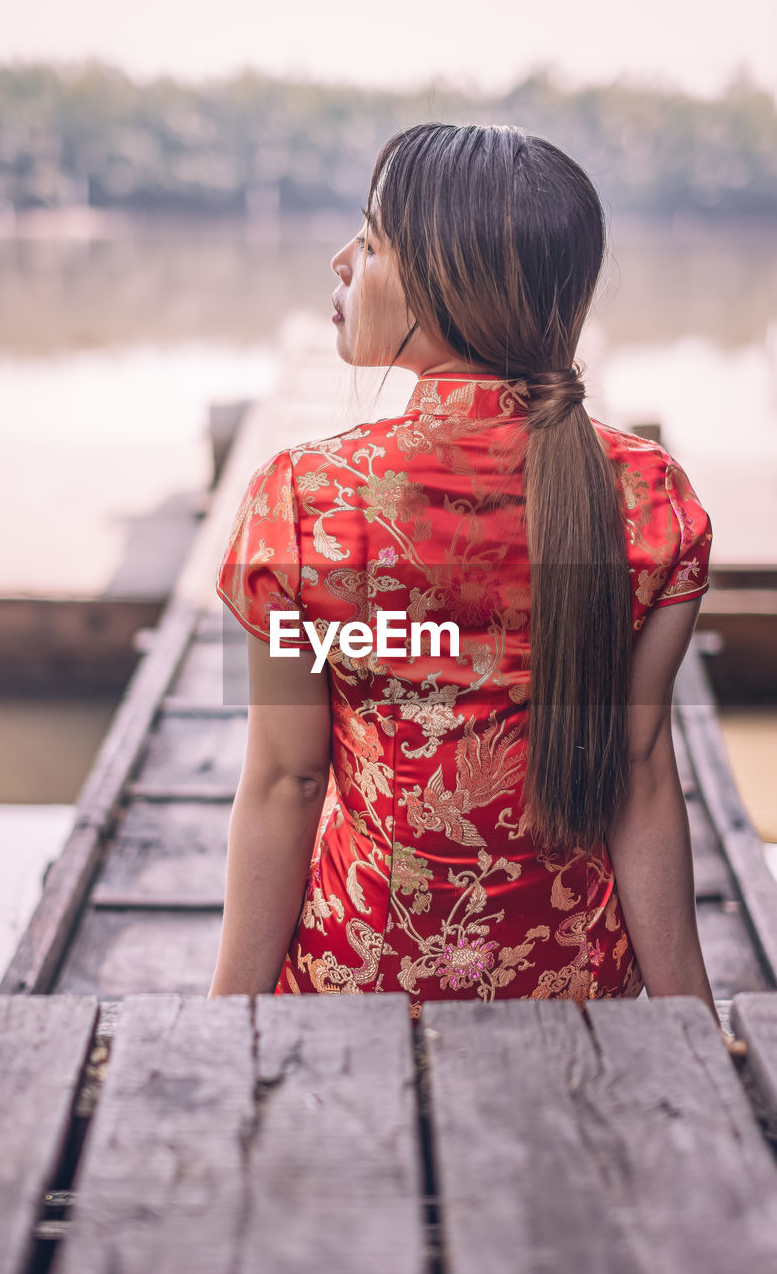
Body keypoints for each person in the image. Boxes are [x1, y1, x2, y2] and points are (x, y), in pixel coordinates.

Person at [207, 122, 725, 1037]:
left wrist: (226, 1023)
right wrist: (689, 1027)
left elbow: (287, 781)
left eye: (368, 243)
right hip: (579, 993)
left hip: (360, 985)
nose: (339, 261)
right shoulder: (647, 499)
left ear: (450, 287)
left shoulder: (308, 502)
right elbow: (642, 775)